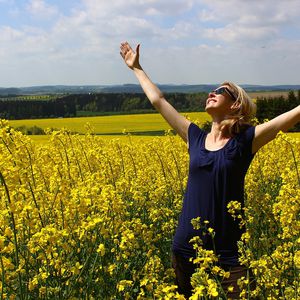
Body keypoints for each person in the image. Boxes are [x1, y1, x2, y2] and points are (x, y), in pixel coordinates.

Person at [119, 41, 300, 298]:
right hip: (185, 251)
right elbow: (159, 101)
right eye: (211, 90)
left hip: (229, 255)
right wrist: (136, 68)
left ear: (236, 105)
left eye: (220, 90)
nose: (211, 92)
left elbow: (291, 115)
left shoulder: (245, 141)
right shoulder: (194, 137)